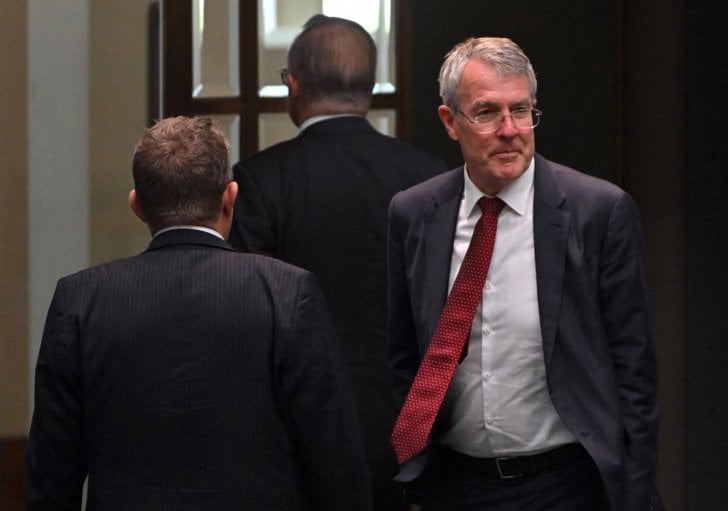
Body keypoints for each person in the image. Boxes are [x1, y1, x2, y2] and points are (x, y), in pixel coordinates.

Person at [25, 116, 372, 510]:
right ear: (230, 198)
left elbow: (51, 475)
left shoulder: (79, 301)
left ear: (137, 205)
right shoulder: (287, 293)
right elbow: (335, 461)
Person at [387, 37, 664, 510]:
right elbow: (404, 356)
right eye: (487, 112)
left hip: (568, 484)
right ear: (450, 122)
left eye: (521, 110)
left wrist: (633, 494)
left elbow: (634, 372)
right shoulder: (415, 214)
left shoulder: (597, 212)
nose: (510, 130)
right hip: (455, 485)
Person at [229, 15, 447, 510]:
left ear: (294, 85)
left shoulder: (259, 181)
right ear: (369, 88)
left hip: (297, 435)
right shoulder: (431, 181)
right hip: (413, 433)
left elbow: (245, 319)